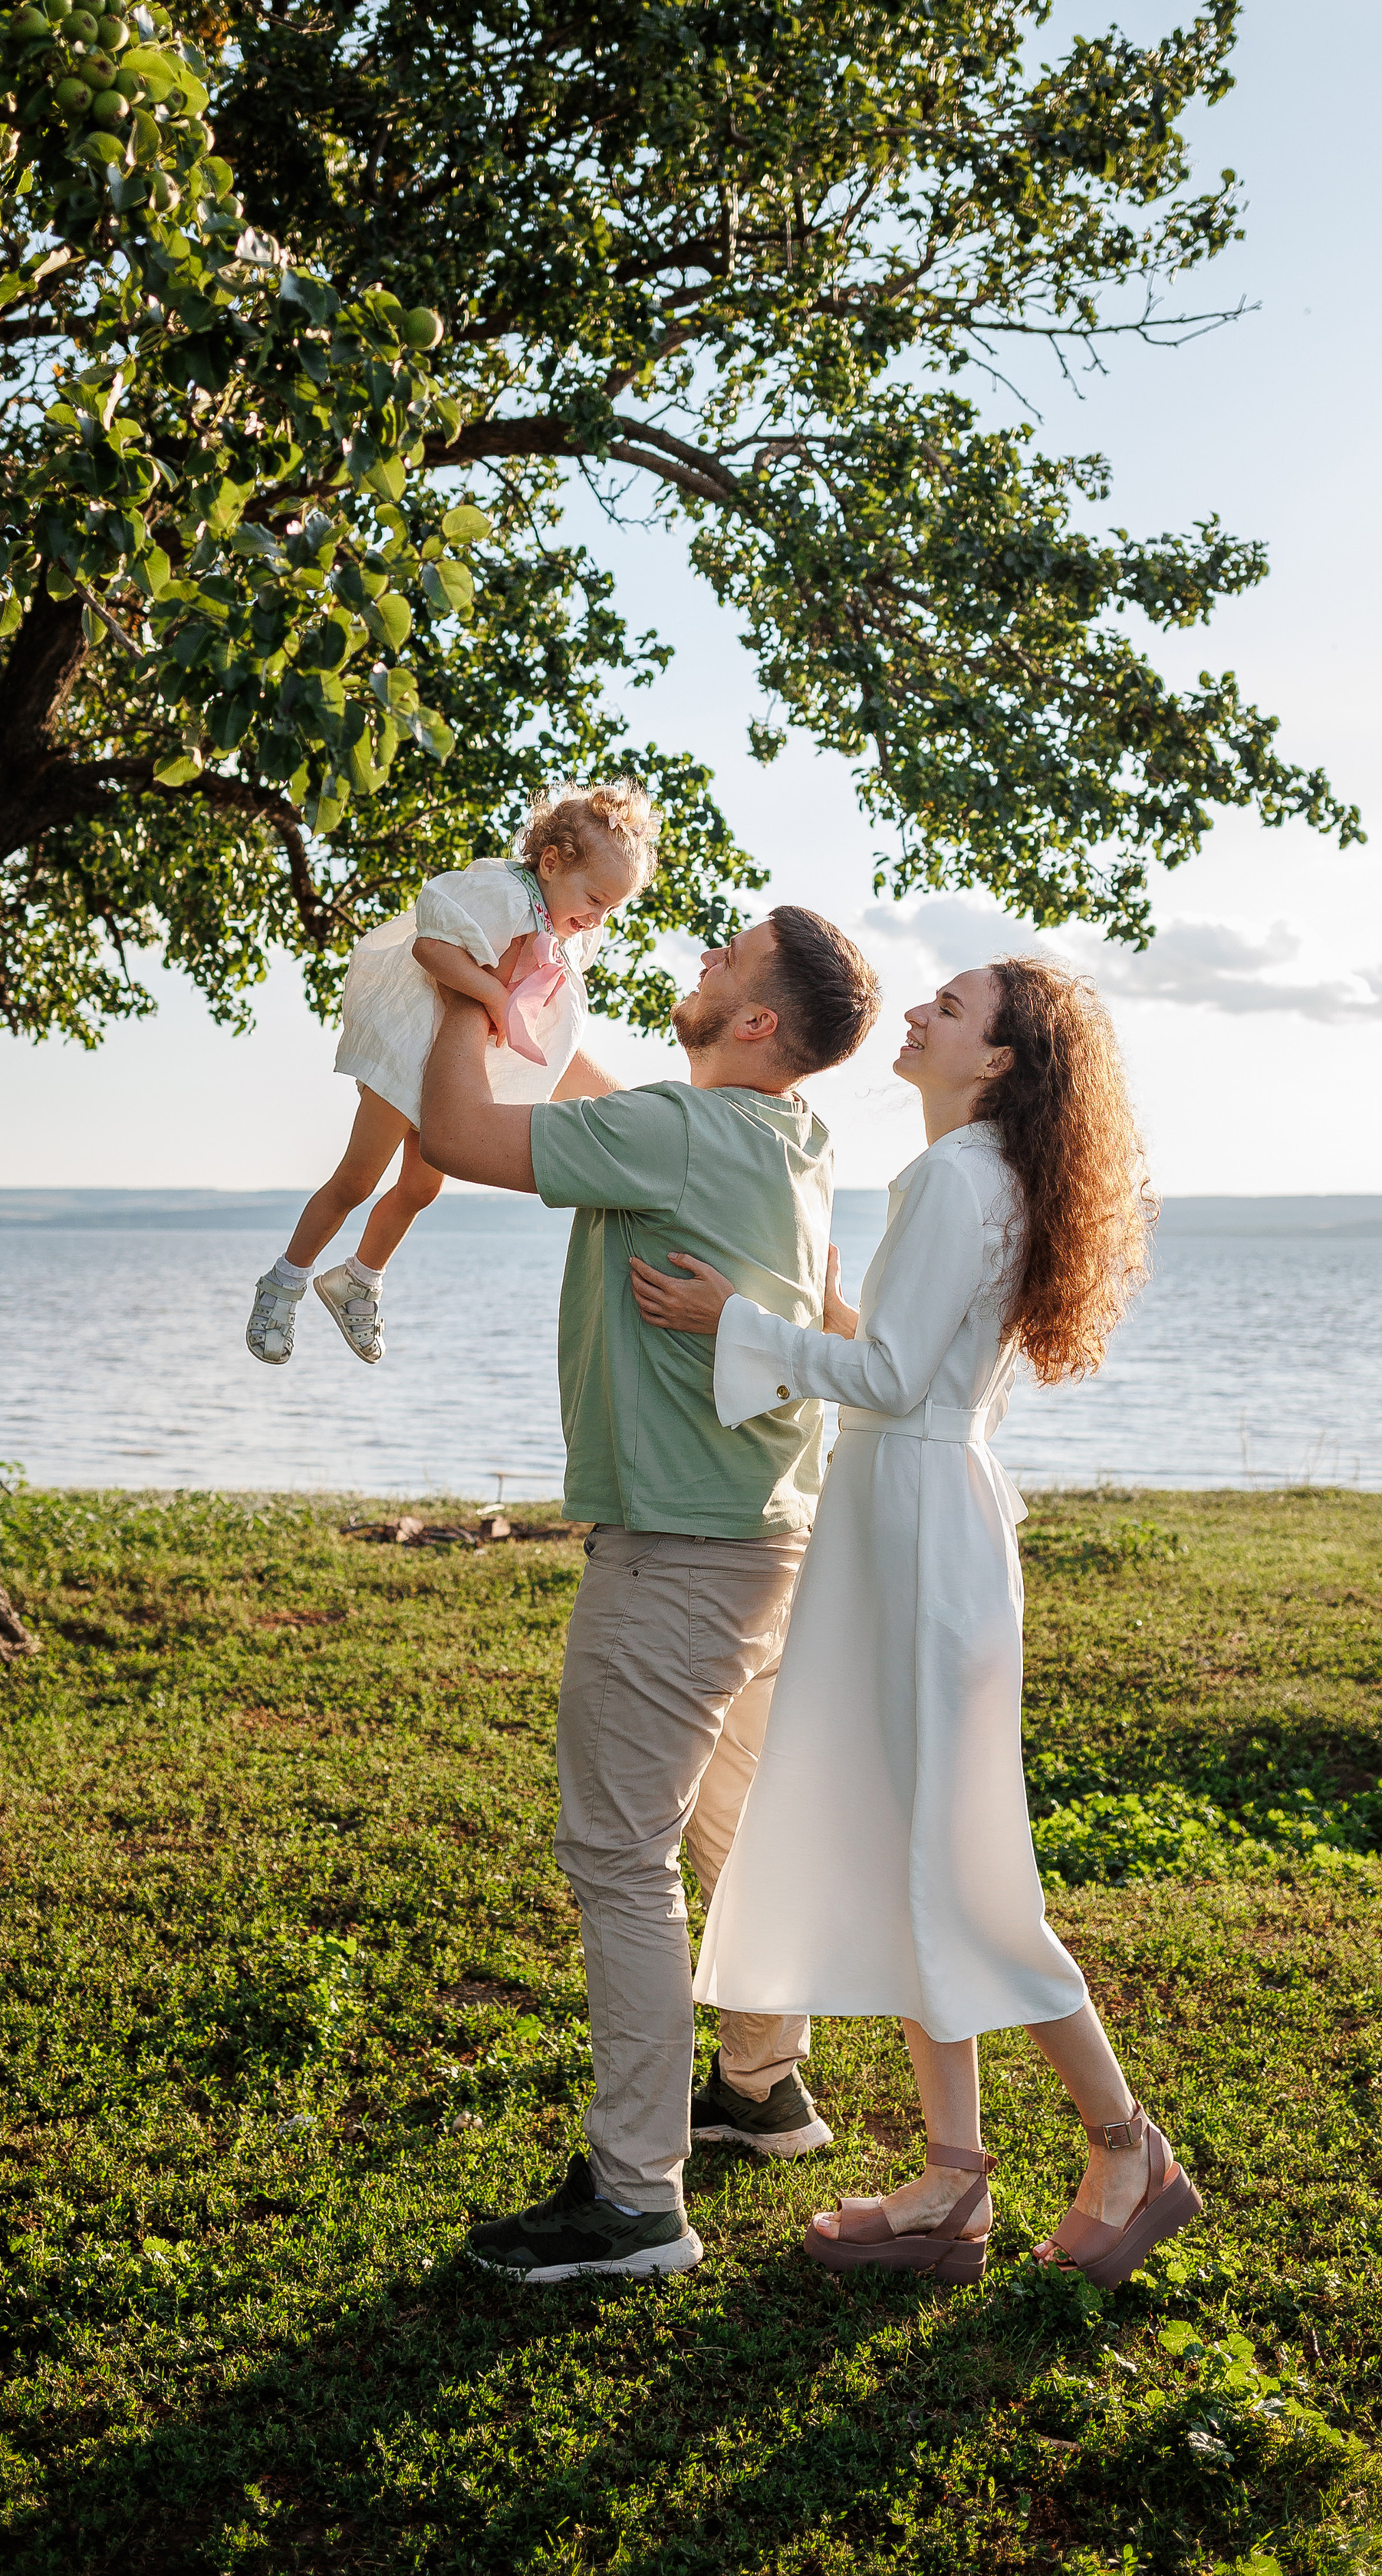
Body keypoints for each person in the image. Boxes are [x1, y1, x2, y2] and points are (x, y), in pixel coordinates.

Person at [630, 957, 1203, 2288]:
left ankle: (1129, 2149)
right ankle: (954, 2179)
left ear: (999, 1060)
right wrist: (830, 1312)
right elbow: (914, 1360)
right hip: (921, 1516)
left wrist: (744, 1320)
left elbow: (888, 1382)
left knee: (960, 1866)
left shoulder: (958, 1176)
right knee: (911, 1854)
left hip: (916, 1527)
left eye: (952, 1009)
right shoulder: (987, 1175)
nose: (921, 1016)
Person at [417, 906, 883, 2284]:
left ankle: (636, 2202)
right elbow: (608, 1101)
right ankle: (759, 2086)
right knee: (729, 1820)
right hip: (768, 1538)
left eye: (725, 958)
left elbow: (454, 1135)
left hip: (678, 1547)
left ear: (755, 1024)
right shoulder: (792, 1138)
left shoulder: (681, 1135)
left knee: (619, 1856)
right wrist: (533, 1019)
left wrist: (461, 995)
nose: (700, 959)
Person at [244, 781, 655, 1371]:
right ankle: (284, 1281)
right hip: (415, 1046)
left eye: (611, 909)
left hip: (456, 1068)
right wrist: (492, 995)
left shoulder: (567, 930)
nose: (596, 918)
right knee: (356, 1179)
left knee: (422, 1188)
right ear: (550, 861)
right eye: (594, 898)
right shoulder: (502, 893)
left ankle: (358, 1280)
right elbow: (431, 949)